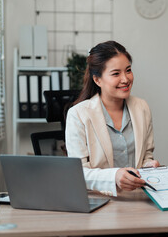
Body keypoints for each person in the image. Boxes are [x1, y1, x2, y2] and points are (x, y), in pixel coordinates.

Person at [65, 41, 160, 197]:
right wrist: (114, 177)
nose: (125, 79)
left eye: (128, 70)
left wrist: (149, 165)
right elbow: (78, 173)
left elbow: (145, 157)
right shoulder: (78, 114)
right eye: (116, 74)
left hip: (138, 198)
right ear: (97, 80)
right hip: (98, 200)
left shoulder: (141, 108)